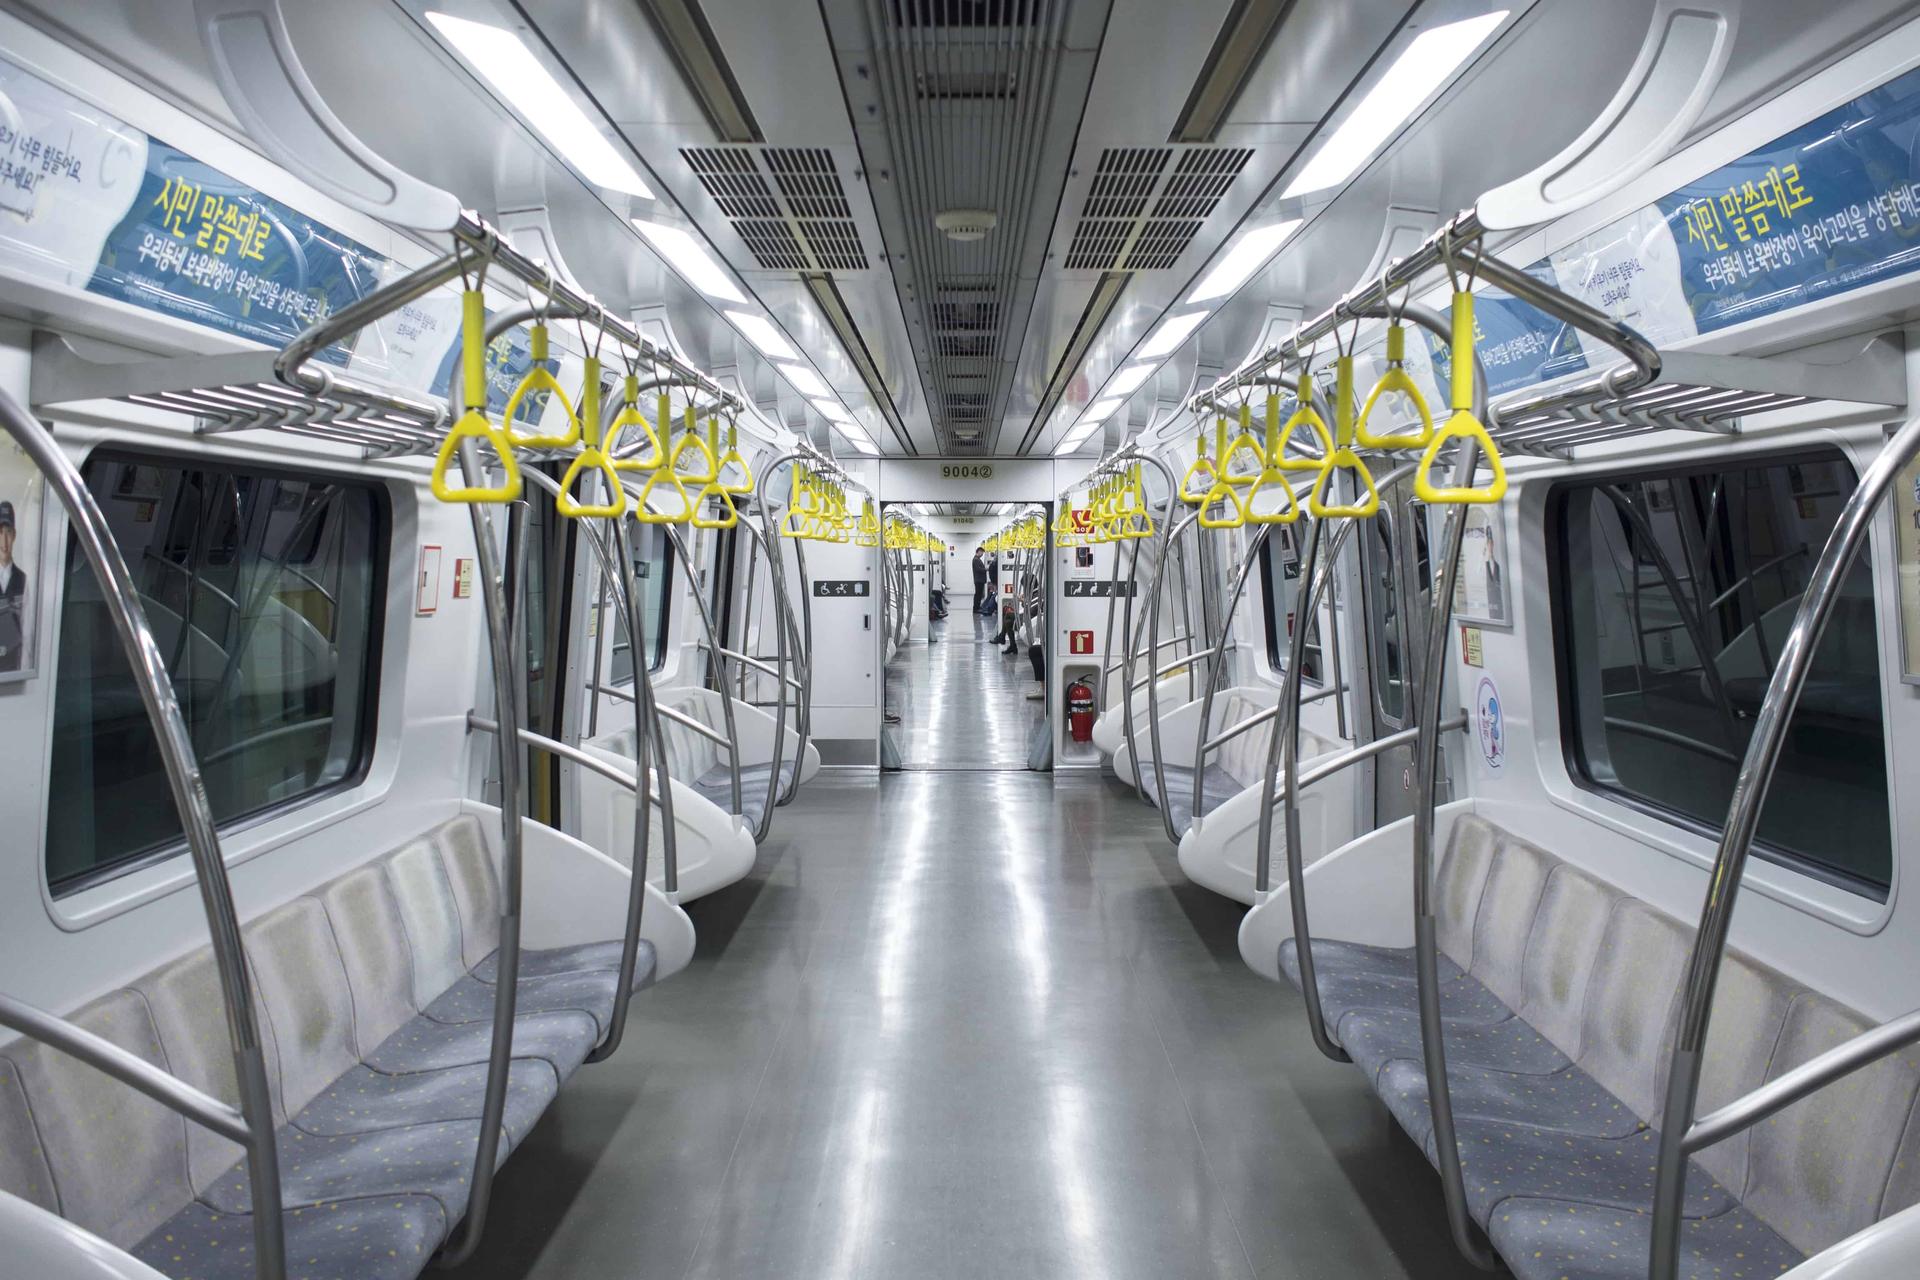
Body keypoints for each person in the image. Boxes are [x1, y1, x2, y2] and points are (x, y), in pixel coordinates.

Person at [0, 500, 27, 673]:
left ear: (14, 535)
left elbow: (28, 629)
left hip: (14, 670)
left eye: (8, 532)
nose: (4, 540)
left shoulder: (24, 580)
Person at [971, 547, 989, 613]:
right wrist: (986, 569)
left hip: (979, 580)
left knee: (979, 594)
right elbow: (978, 569)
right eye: (982, 552)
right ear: (978, 551)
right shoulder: (976, 559)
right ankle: (976, 609)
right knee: (978, 594)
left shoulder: (977, 559)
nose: (982, 554)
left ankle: (977, 607)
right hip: (979, 580)